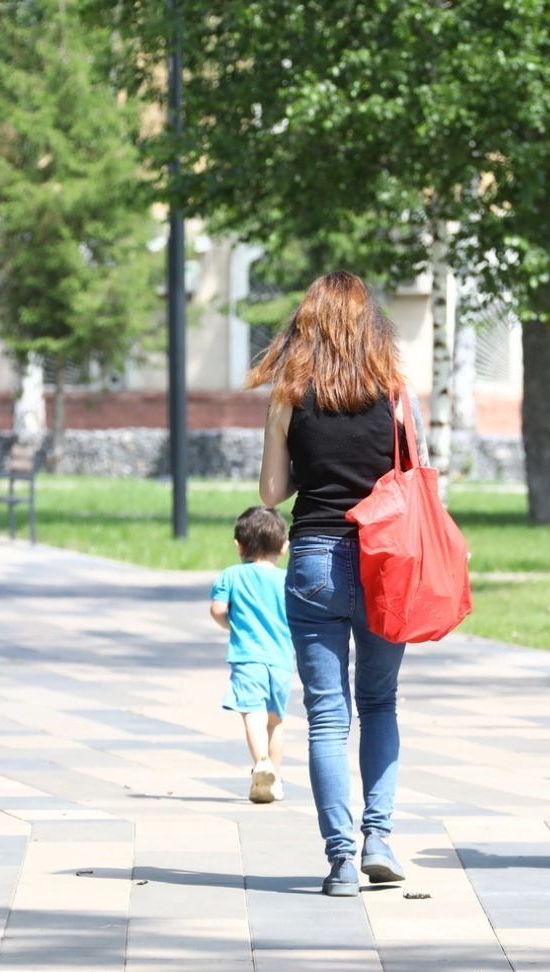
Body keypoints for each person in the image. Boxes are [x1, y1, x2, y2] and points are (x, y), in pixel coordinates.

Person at [250, 270, 412, 897]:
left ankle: (341, 859)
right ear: (370, 324)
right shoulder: (394, 392)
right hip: (383, 557)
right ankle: (380, 838)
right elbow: (414, 474)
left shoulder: (289, 394)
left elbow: (271, 493)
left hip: (315, 555)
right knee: (379, 703)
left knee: (326, 716)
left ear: (306, 325)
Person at [210, 505, 295, 804]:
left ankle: (261, 762)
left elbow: (218, 610)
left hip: (248, 657)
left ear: (239, 545)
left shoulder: (231, 576)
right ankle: (276, 777)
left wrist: (229, 623)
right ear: (283, 547)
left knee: (253, 714)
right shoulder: (288, 580)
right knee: (276, 721)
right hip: (282, 660)